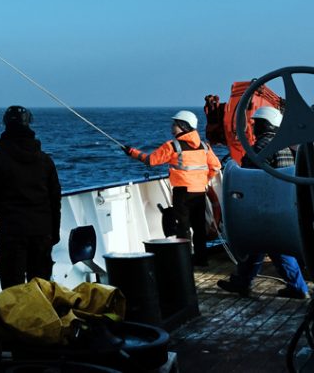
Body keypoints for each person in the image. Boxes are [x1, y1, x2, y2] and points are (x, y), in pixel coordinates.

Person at [217, 107, 309, 299]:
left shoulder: (261, 146)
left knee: (273, 246)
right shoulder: (283, 146)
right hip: (283, 203)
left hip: (264, 204)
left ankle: (299, 288)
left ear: (265, 124)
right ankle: (243, 281)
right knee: (258, 244)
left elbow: (247, 176)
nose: (253, 126)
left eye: (256, 123)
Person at [0, 106, 62, 289]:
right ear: (29, 123)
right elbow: (55, 200)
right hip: (42, 233)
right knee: (41, 291)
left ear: (5, 124)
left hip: (12, 234)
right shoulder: (45, 161)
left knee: (13, 294)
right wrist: (55, 232)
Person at [122, 110, 221, 266]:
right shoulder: (205, 146)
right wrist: (204, 180)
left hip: (182, 193)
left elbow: (151, 160)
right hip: (200, 192)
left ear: (183, 126)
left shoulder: (172, 146)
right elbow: (216, 166)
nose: (172, 126)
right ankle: (202, 260)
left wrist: (132, 152)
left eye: (175, 124)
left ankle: (185, 260)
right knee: (199, 227)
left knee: (183, 227)